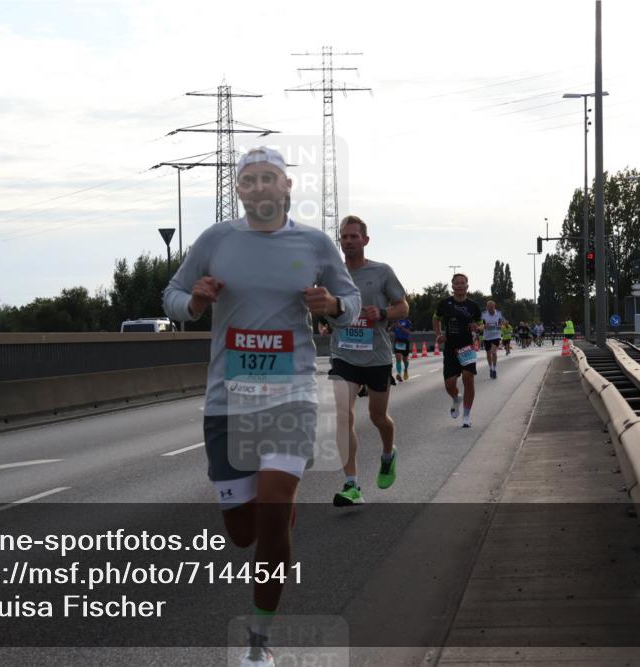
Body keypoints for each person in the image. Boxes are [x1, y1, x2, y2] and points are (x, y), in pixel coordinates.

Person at [163, 146, 360, 667]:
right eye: (248, 180)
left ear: (287, 186)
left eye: (268, 178)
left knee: (271, 513)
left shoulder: (315, 243)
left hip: (290, 394)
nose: (258, 188)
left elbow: (350, 302)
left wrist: (335, 306)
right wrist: (196, 302)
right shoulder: (216, 240)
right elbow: (173, 295)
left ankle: (258, 642)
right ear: (239, 190)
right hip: (228, 401)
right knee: (244, 533)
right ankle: (278, 507)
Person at [327, 216, 408, 506]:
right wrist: (328, 316)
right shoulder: (331, 274)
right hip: (343, 354)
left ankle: (388, 454)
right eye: (344, 237)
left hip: (376, 355)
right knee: (343, 415)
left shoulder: (382, 272)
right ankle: (352, 485)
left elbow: (403, 306)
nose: (348, 241)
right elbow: (325, 306)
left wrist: (383, 313)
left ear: (365, 240)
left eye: (353, 236)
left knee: (377, 417)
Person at [433, 274, 481, 428]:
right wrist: (439, 334)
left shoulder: (473, 306)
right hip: (450, 348)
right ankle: (456, 398)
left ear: (467, 286)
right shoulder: (445, 303)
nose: (460, 286)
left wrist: (477, 328)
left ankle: (466, 416)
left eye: (463, 283)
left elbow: (481, 325)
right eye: (457, 283)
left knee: (468, 378)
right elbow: (436, 318)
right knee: (450, 384)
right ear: (452, 286)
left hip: (467, 347)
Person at [480, 300, 506, 379]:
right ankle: (491, 368)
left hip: (496, 335)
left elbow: (504, 322)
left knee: (493, 352)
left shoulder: (499, 313)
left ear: (494, 307)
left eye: (492, 307)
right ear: (487, 307)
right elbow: (480, 324)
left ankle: (494, 370)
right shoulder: (483, 314)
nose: (490, 309)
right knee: (488, 354)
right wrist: (483, 326)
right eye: (489, 307)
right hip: (487, 336)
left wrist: (500, 325)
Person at [392, 317, 412, 382]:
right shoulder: (396, 320)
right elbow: (389, 329)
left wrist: (400, 327)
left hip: (405, 341)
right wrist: (392, 326)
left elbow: (409, 332)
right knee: (398, 357)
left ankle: (405, 369)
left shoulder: (407, 321)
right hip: (397, 341)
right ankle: (399, 374)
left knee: (405, 359)